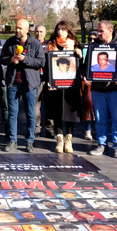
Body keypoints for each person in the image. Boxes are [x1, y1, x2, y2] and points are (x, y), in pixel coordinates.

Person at [0, 18, 46, 153]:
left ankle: (29, 141)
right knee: (12, 114)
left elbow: (41, 62)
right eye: (16, 28)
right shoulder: (10, 42)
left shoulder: (35, 44)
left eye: (20, 28)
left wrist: (25, 59)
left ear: (27, 30)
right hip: (13, 82)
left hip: (29, 84)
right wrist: (11, 59)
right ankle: (12, 141)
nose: (17, 30)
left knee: (31, 114)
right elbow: (2, 58)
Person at [86, 21, 117, 159]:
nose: (98, 33)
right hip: (97, 89)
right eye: (98, 31)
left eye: (101, 31)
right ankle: (101, 144)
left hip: (115, 90)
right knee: (100, 119)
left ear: (110, 31)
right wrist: (86, 76)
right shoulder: (93, 47)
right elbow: (86, 66)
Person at [44, 21, 84, 154]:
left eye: (63, 29)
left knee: (70, 114)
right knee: (57, 112)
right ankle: (59, 140)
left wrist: (80, 55)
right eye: (58, 29)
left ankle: (69, 140)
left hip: (71, 87)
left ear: (68, 31)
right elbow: (46, 66)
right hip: (55, 87)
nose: (60, 32)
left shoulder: (75, 45)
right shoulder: (51, 46)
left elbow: (82, 66)